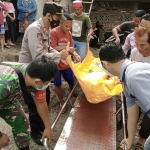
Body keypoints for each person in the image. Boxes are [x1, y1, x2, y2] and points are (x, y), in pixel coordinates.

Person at [18, 2, 69, 146]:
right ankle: (35, 132)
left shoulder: (45, 28)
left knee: (44, 99)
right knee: (34, 104)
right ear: (49, 15)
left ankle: (41, 127)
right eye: (57, 18)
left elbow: (49, 49)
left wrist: (59, 53)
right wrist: (59, 56)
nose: (58, 21)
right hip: (29, 74)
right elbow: (39, 55)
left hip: (40, 72)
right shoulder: (35, 29)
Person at [99, 41, 150, 150]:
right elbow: (132, 114)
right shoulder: (126, 77)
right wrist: (129, 139)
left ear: (105, 63)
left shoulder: (133, 77)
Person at [0, 55, 58, 150]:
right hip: (3, 92)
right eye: (48, 83)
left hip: (6, 100)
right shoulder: (5, 85)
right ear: (38, 82)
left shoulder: (36, 75)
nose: (47, 85)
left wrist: (47, 127)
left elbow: (41, 102)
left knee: (22, 123)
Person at [50, 13, 81, 110]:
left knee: (71, 79)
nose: (68, 28)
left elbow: (71, 49)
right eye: (66, 26)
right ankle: (62, 101)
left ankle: (72, 90)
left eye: (70, 26)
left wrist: (75, 54)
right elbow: (53, 47)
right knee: (57, 83)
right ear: (60, 22)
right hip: (56, 64)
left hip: (66, 63)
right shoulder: (53, 32)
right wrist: (67, 48)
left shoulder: (69, 34)